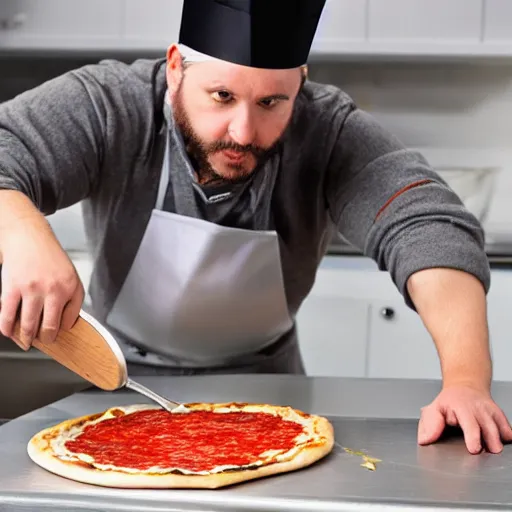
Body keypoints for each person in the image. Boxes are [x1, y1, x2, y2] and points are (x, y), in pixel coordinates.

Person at [0, 0, 510, 454]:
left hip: (272, 389)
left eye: (272, 102)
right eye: (221, 96)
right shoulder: (110, 106)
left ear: (301, 82)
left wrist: (466, 380)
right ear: (176, 67)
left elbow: (425, 222)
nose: (244, 133)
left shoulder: (328, 132)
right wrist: (23, 235)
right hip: (119, 383)